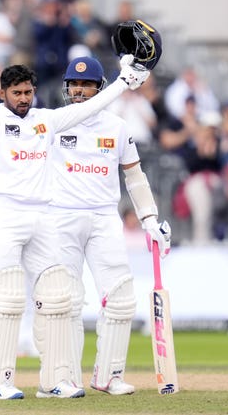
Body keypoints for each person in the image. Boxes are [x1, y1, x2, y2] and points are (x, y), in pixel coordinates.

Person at [0, 48, 150, 399]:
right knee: (9, 297)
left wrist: (122, 82)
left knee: (58, 297)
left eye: (28, 92)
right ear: (3, 94)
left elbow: (89, 108)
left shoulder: (47, 120)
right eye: (17, 93)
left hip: (44, 216)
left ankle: (53, 381)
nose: (24, 99)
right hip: (5, 214)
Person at [49, 56, 170, 395]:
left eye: (86, 84)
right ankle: (64, 378)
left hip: (104, 218)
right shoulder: (55, 122)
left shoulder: (117, 128)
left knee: (120, 298)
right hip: (62, 217)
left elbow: (134, 176)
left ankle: (109, 375)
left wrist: (149, 219)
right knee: (66, 301)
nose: (79, 89)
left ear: (99, 87)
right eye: (74, 83)